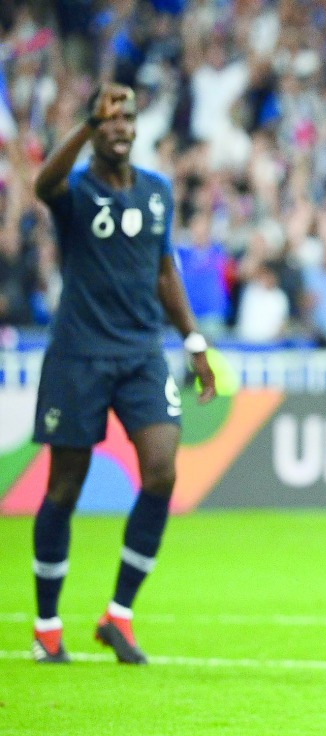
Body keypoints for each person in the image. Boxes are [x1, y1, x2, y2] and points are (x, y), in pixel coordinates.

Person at [30, 84, 216, 665]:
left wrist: (193, 339)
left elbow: (165, 272)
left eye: (127, 117)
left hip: (141, 353)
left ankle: (119, 615)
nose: (120, 127)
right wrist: (84, 127)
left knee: (161, 471)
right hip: (79, 353)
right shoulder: (76, 189)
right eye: (108, 119)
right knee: (64, 488)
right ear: (94, 127)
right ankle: (47, 625)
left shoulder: (157, 193)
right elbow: (42, 185)